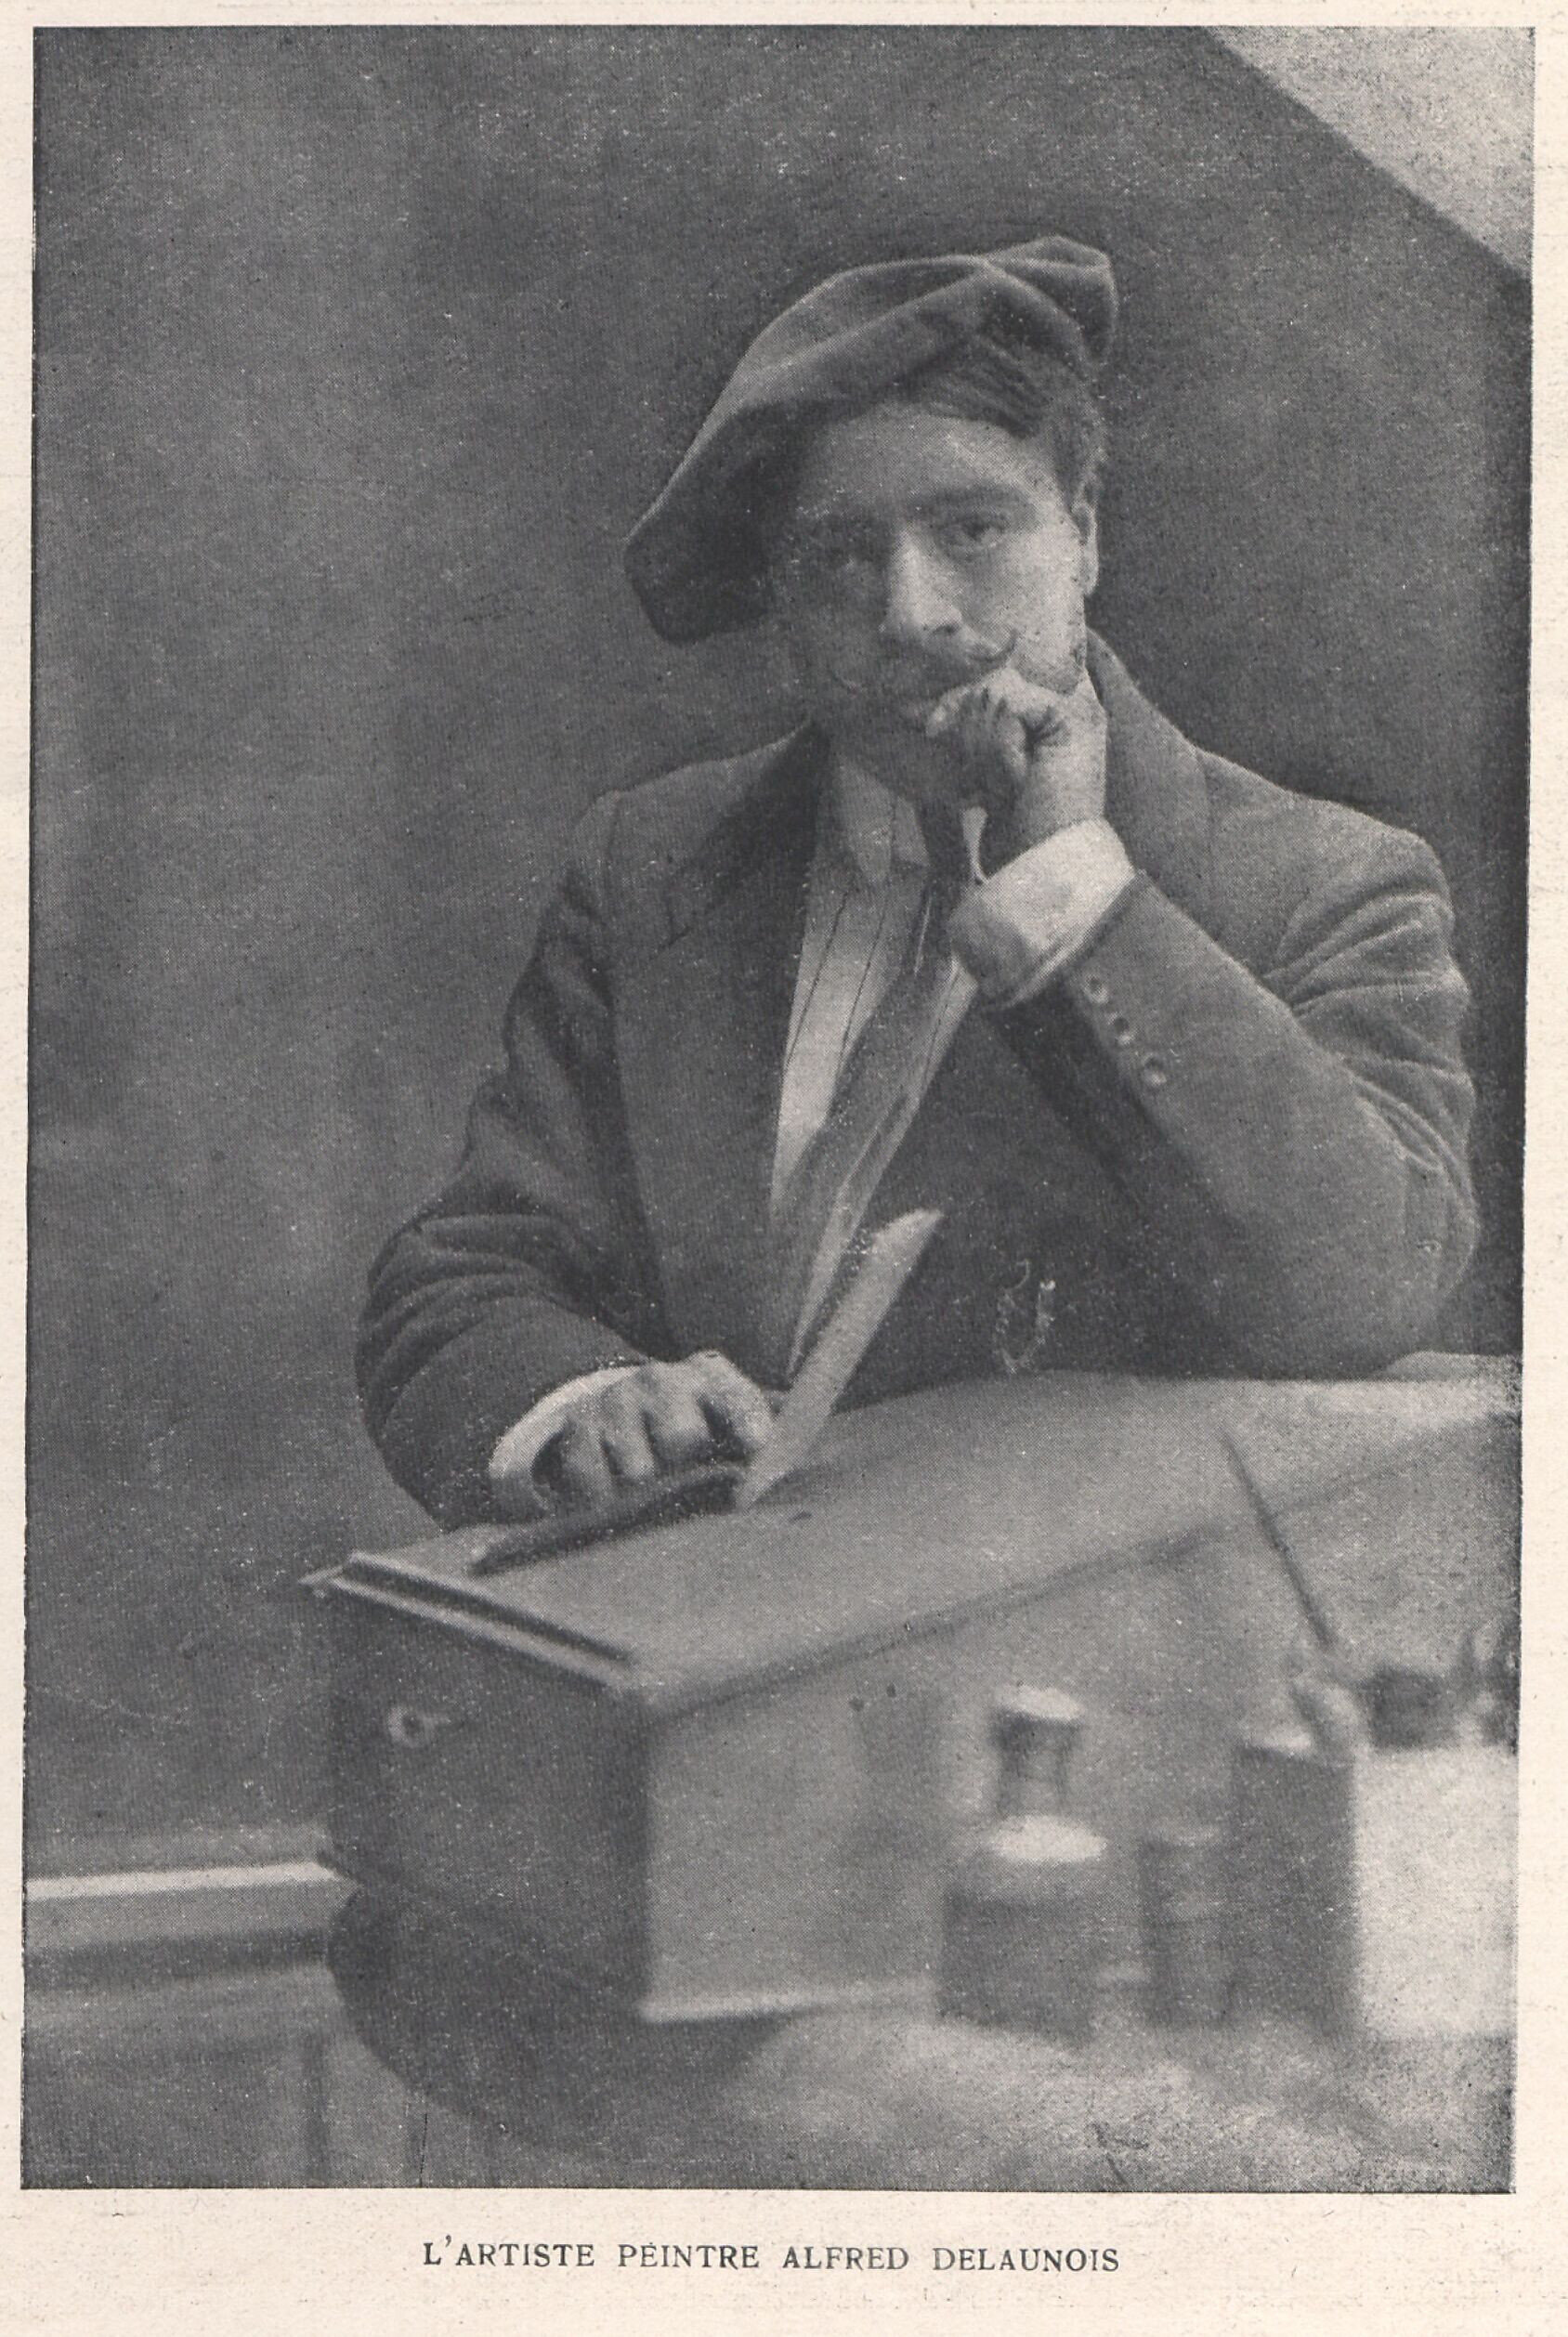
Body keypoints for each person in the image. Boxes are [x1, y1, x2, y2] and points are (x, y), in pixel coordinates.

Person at [357, 236, 1477, 1527]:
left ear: (1086, 539)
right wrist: (584, 1399)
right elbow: (464, 1278)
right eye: (839, 555)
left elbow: (1364, 1291)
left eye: (973, 528)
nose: (910, 613)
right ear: (779, 599)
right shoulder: (655, 862)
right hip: (699, 1639)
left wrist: (1070, 894)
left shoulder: (1325, 882)